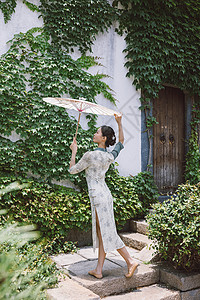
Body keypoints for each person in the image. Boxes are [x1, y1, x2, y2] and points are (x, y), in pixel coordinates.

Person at [69, 113, 138, 279]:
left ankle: (130, 261)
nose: (95, 134)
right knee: (102, 233)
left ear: (104, 138)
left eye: (97, 133)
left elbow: (72, 170)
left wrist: (73, 151)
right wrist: (120, 123)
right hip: (104, 196)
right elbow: (121, 142)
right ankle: (99, 270)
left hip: (98, 198)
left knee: (107, 233)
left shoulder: (90, 155)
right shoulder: (108, 156)